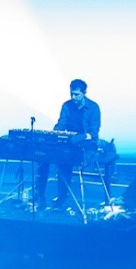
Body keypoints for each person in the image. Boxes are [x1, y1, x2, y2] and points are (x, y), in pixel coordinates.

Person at [37, 79, 104, 208]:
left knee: (65, 160)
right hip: (69, 143)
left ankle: (62, 198)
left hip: (86, 145)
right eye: (71, 94)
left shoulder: (93, 107)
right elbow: (61, 124)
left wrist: (78, 137)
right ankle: (40, 196)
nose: (73, 97)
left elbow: (93, 134)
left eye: (77, 94)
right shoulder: (67, 106)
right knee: (43, 158)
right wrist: (53, 135)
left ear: (84, 93)